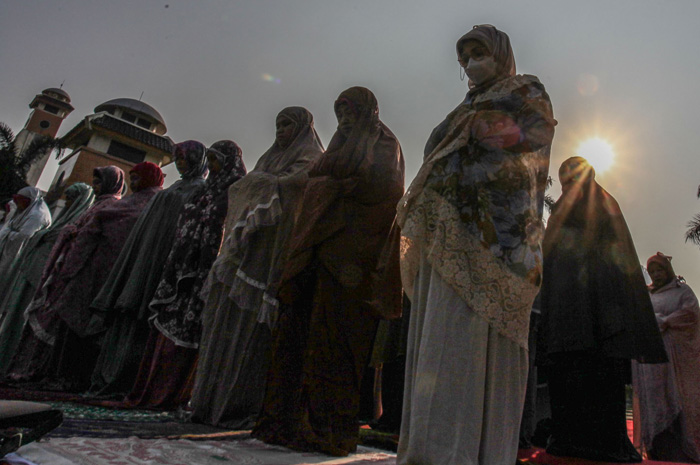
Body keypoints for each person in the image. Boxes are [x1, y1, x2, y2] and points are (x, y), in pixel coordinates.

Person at [396, 25, 556, 465]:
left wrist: (482, 127)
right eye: (463, 55)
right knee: (440, 339)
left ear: (500, 53)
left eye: (478, 51)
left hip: (495, 242)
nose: (469, 62)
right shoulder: (462, 106)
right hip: (447, 238)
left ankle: (470, 452)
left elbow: (532, 139)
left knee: (473, 340)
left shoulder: (527, 90)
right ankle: (432, 448)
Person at [254, 87, 405, 456]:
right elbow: (316, 183)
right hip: (314, 254)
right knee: (295, 337)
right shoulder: (340, 143)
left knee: (333, 346)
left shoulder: (384, 142)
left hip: (350, 261)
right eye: (338, 111)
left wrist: (334, 179)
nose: (344, 117)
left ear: (368, 109)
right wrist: (334, 178)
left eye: (349, 109)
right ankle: (284, 424)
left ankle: (326, 431)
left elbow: (384, 191)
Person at [191, 108, 323, 428]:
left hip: (270, 259)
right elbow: (243, 190)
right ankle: (209, 400)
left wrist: (262, 185)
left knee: (254, 332)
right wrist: (262, 183)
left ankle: (239, 404)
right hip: (246, 253)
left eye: (287, 124)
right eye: (278, 124)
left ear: (303, 128)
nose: (280, 130)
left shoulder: (312, 159)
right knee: (227, 325)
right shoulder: (268, 159)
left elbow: (296, 193)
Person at [538, 157, 667, 462]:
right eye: (565, 180)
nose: (570, 186)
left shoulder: (600, 204)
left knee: (597, 375)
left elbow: (616, 259)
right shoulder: (573, 208)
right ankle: (572, 438)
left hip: (599, 316)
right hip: (571, 316)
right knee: (572, 373)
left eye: (573, 179)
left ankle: (601, 442)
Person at [122, 141, 246, 409]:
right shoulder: (207, 191)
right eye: (210, 160)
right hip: (178, 268)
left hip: (202, 273)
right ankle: (150, 389)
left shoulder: (233, 191)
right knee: (165, 330)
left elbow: (223, 230)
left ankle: (174, 393)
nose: (211, 166)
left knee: (187, 335)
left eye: (216, 160)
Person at [88, 141, 208, 397]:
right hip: (144, 255)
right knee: (126, 315)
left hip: (163, 258)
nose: (180, 163)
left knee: (143, 318)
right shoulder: (176, 186)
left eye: (185, 158)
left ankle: (127, 380)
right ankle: (108, 378)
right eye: (177, 158)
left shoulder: (201, 189)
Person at [6, 166, 130, 387]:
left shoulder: (112, 208)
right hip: (65, 274)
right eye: (95, 181)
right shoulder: (95, 207)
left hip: (82, 279)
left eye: (99, 182)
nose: (95, 186)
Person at [0, 182, 94, 376]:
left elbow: (28, 236)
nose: (66, 202)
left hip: (43, 280)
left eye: (70, 199)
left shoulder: (46, 217)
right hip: (30, 272)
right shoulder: (63, 220)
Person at [633, 253, 700, 462]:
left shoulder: (682, 292)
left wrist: (667, 321)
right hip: (653, 364)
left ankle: (681, 450)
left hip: (676, 360)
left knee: (677, 399)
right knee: (655, 401)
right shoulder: (647, 295)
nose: (656, 275)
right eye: (652, 272)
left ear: (668, 271)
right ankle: (657, 446)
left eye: (659, 270)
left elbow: (691, 314)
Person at [0, 187, 51, 278]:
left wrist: (8, 232)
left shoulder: (37, 215)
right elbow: (9, 225)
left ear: (28, 200)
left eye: (19, 200)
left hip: (18, 252)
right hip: (8, 248)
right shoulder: (25, 211)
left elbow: (24, 235)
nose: (17, 204)